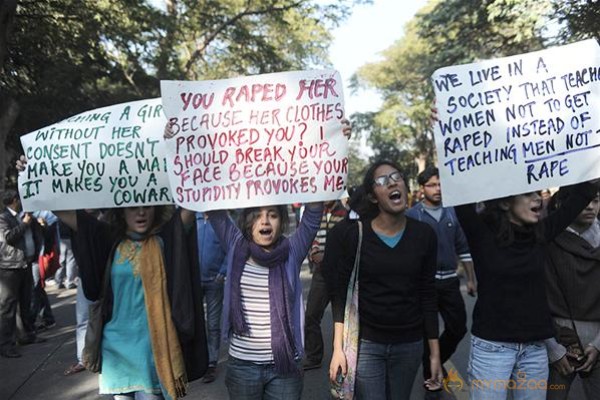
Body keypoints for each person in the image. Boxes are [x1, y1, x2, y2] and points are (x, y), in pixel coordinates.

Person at [16, 156, 208, 400]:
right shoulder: (107, 240)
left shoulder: (166, 240)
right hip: (115, 351)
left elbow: (194, 199)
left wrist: (196, 153)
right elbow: (61, 208)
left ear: (156, 209)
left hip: (153, 352)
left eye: (147, 205)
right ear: (121, 210)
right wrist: (31, 174)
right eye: (133, 206)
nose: (140, 212)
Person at [454, 181, 599, 400]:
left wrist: (591, 168)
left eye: (538, 192)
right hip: (493, 349)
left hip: (535, 349)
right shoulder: (481, 234)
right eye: (528, 193)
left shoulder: (541, 234)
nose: (538, 198)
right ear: (505, 203)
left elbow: (579, 197)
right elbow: (460, 192)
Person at [327, 160, 443, 399]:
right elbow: (341, 297)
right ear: (372, 197)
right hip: (367, 346)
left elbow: (428, 295)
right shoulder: (355, 235)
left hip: (409, 345)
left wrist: (434, 354)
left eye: (396, 177)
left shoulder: (425, 235)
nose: (392, 182)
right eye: (382, 181)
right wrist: (338, 349)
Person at [208, 202, 323, 399]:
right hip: (242, 366)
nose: (265, 221)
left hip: (285, 367)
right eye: (256, 214)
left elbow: (312, 217)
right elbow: (215, 212)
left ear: (282, 221)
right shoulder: (235, 245)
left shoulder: (292, 251)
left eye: (272, 215)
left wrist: (318, 182)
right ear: (246, 221)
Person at [406, 166, 475, 380]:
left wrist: (471, 279)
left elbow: (463, 248)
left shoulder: (453, 212)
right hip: (424, 286)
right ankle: (431, 381)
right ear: (422, 188)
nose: (437, 189)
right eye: (432, 185)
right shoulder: (412, 215)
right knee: (429, 334)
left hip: (450, 283)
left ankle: (435, 361)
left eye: (440, 184)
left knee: (458, 328)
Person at [544, 189, 600, 399]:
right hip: (560, 340)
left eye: (595, 200)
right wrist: (554, 348)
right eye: (583, 200)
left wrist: (597, 344)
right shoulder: (548, 242)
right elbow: (536, 298)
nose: (589, 206)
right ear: (563, 206)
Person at [0, 190, 46, 358]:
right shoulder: (3, 218)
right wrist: (25, 223)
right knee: (8, 307)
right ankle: (6, 345)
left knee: (25, 302)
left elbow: (35, 235)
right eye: (20, 200)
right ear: (14, 200)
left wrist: (38, 225)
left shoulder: (23, 215)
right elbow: (9, 238)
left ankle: (26, 335)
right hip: (10, 267)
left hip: (25, 263)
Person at [303, 200, 347, 370]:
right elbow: (309, 236)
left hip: (340, 274)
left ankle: (343, 355)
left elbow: (348, 242)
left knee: (342, 318)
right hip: (321, 273)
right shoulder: (314, 213)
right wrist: (313, 252)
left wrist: (328, 257)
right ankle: (314, 356)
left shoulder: (346, 214)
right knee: (311, 315)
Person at [196, 211, 227, 384]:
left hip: (214, 281)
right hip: (194, 283)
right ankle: (198, 360)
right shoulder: (193, 219)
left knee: (213, 324)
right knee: (196, 323)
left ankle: (211, 362)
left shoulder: (222, 220)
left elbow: (232, 248)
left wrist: (223, 272)